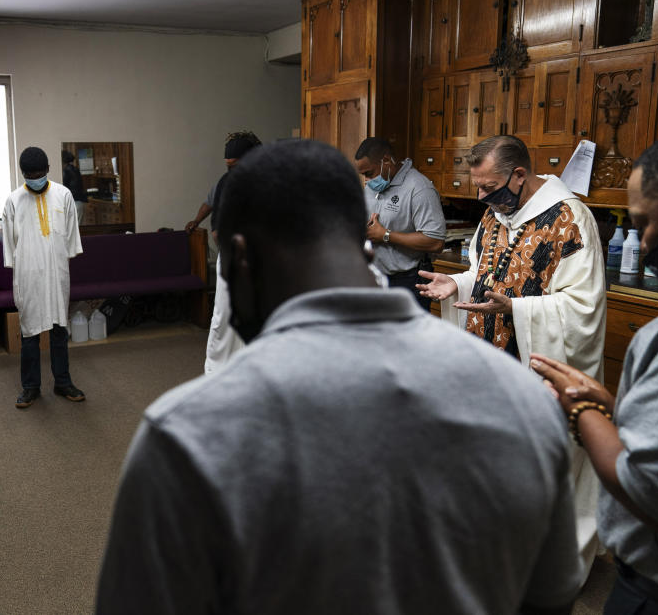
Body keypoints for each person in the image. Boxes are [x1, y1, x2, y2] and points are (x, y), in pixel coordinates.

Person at [96, 140, 584, 614]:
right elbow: (549, 596)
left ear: (239, 258)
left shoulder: (186, 436)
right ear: (364, 243)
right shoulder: (522, 399)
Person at [531, 120, 658, 613]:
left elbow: (656, 495)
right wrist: (617, 410)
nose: (643, 242)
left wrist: (583, 410)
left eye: (646, 223)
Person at [417, 135, 607, 568]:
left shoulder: (570, 218)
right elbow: (483, 272)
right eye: (478, 188)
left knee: (537, 470)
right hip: (490, 363)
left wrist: (518, 308)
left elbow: (584, 306)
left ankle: (543, 567)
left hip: (538, 368)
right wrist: (458, 284)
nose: (482, 198)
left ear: (520, 175)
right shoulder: (495, 215)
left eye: (490, 187)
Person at [3, 147, 85, 408]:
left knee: (60, 329)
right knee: (30, 333)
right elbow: (9, 245)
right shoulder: (13, 201)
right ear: (23, 173)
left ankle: (62, 382)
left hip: (56, 273)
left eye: (38, 173)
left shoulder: (64, 195)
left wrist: (54, 260)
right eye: (29, 174)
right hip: (28, 276)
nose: (34, 178)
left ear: (48, 169)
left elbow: (71, 237)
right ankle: (30, 387)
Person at [185, 131, 261, 374]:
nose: (232, 171)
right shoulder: (226, 183)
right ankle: (216, 373)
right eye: (228, 166)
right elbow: (217, 227)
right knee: (224, 317)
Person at [354, 137, 445, 310]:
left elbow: (436, 242)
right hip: (375, 277)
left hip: (407, 282)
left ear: (386, 161)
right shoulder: (373, 186)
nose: (366, 181)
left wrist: (386, 235)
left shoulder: (419, 188)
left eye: (369, 173)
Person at [61, 150, 88, 225]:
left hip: (73, 202)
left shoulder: (66, 171)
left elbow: (64, 187)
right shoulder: (75, 169)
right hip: (79, 202)